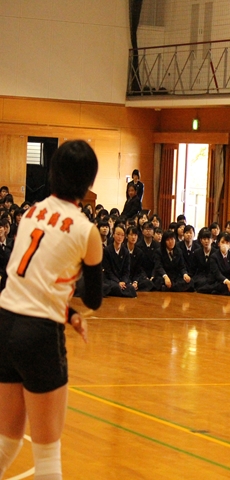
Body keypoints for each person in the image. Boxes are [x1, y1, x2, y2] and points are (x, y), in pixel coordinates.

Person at [0, 140, 103, 479]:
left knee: (6, 442)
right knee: (47, 456)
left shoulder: (31, 213)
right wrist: (75, 303)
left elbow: (28, 277)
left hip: (5, 323)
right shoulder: (86, 230)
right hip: (39, 335)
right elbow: (95, 299)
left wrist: (68, 312)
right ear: (89, 182)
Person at [101, 224, 137, 298]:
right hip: (110, 279)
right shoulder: (107, 250)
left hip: (122, 279)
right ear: (113, 235)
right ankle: (121, 291)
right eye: (118, 234)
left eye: (122, 235)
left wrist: (123, 281)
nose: (120, 237)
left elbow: (126, 271)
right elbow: (108, 271)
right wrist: (118, 282)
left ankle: (121, 290)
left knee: (132, 289)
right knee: (114, 287)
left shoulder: (126, 252)